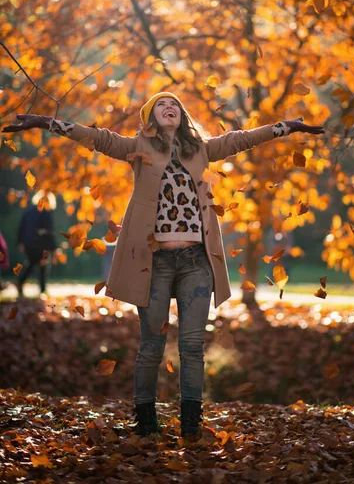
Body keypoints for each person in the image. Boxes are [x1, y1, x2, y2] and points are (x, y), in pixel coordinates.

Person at [3, 94, 324, 439]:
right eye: (161, 104)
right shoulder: (136, 147)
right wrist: (45, 122)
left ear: (181, 115)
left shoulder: (201, 149)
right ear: (151, 117)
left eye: (174, 104)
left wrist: (286, 127)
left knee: (192, 346)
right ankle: (146, 421)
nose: (170, 106)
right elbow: (94, 137)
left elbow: (243, 138)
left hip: (196, 262)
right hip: (153, 262)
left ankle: (191, 424)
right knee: (151, 345)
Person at [16, 191, 57, 297]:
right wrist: (53, 248)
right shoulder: (46, 213)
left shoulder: (28, 212)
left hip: (28, 243)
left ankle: (21, 282)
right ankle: (41, 289)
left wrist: (20, 242)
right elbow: (50, 232)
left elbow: (21, 228)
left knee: (31, 263)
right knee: (41, 265)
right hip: (41, 245)